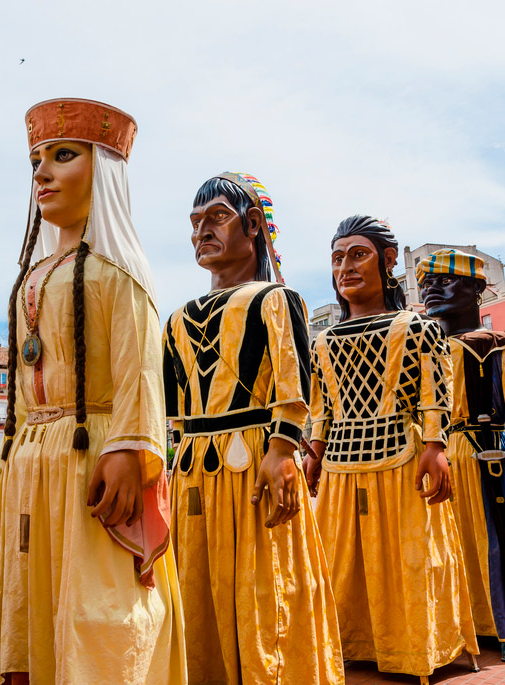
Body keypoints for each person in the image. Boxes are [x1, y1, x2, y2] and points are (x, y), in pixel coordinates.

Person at [0, 98, 186, 684]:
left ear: (105, 172)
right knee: (21, 604)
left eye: (62, 156)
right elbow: (19, 386)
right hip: (32, 464)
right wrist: (3, 462)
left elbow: (140, 371)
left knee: (100, 612)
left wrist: (129, 449)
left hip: (90, 462)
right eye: (37, 159)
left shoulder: (121, 275)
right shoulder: (31, 279)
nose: (41, 172)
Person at [163, 173, 343, 683]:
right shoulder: (174, 319)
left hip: (256, 464)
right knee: (197, 587)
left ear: (254, 226)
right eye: (195, 222)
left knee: (266, 586)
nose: (202, 231)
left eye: (217, 217)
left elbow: (295, 382)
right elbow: (172, 409)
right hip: (194, 471)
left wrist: (283, 450)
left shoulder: (275, 299)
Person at [303, 217, 478, 682]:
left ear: (387, 260)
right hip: (340, 463)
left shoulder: (418, 327)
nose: (345, 267)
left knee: (412, 558)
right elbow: (321, 406)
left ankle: (415, 647)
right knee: (338, 560)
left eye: (357, 255)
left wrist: (435, 443)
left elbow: (433, 390)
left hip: (402, 454)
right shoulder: (322, 341)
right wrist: (314, 451)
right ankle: (348, 641)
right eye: (337, 258)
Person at [418, 251, 505, 661]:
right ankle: (465, 625)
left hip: (490, 455)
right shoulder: (424, 345)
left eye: (445, 281)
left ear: (477, 289)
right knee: (450, 547)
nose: (431, 290)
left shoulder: (502, 343)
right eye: (426, 283)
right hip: (441, 458)